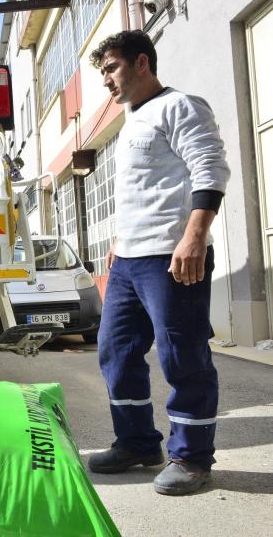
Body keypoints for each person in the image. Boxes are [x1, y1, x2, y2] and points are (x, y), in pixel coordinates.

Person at [87, 30, 230, 495]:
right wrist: (117, 241)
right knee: (116, 351)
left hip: (171, 257)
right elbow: (143, 191)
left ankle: (191, 458)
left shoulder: (181, 106)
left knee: (182, 355)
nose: (106, 80)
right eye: (103, 72)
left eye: (111, 67)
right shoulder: (133, 119)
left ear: (142, 62)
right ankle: (137, 442)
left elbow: (210, 169)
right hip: (129, 259)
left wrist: (195, 237)